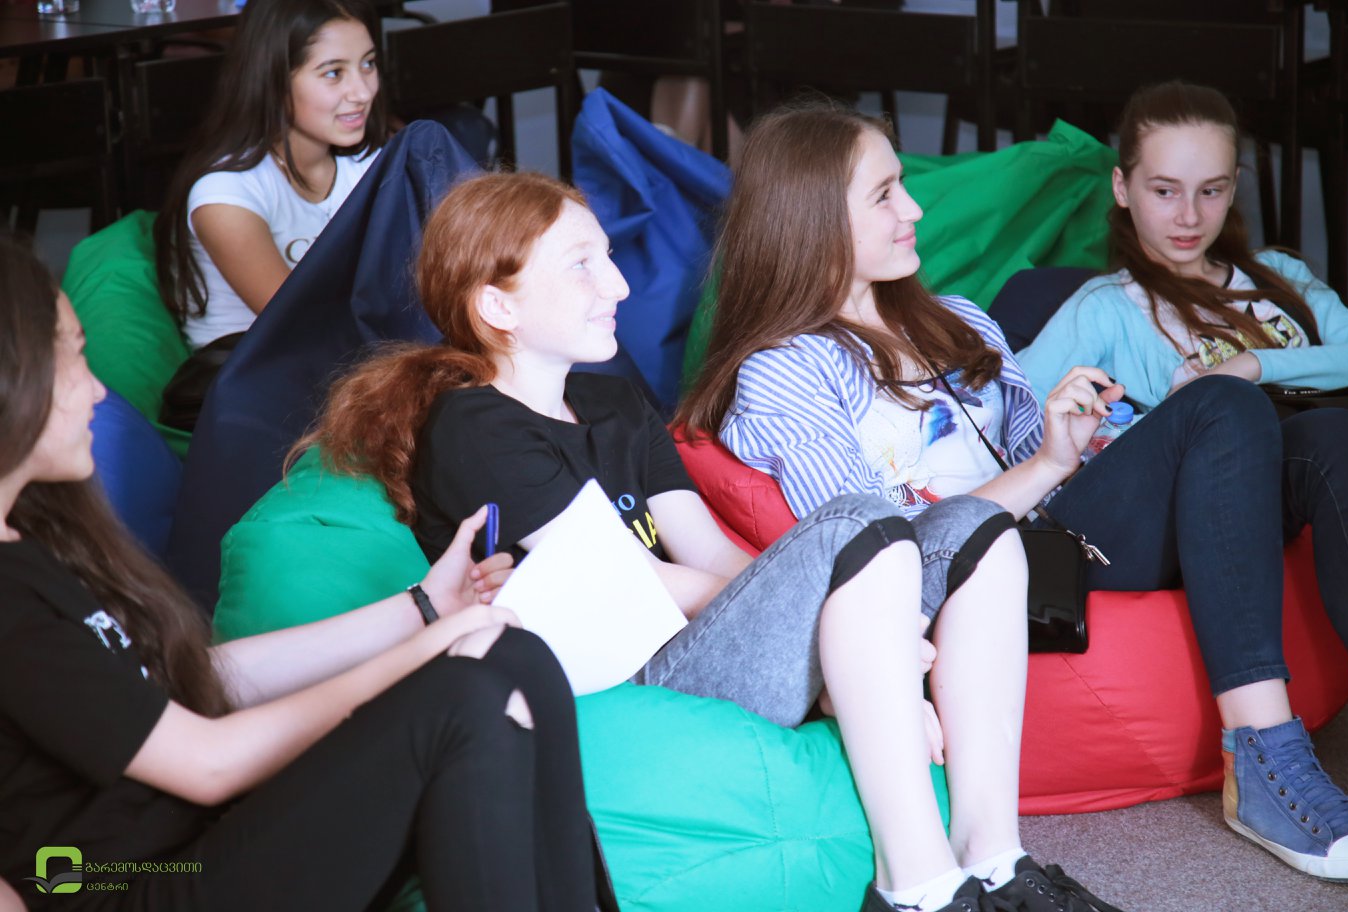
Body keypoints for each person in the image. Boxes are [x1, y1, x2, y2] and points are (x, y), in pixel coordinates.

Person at [301, 170, 1118, 912]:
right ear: (499, 307)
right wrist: (857, 632)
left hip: (704, 642)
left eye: (607, 258)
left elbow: (713, 557)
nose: (618, 284)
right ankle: (921, 891)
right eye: (582, 266)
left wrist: (854, 617)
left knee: (978, 527)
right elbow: (631, 584)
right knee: (855, 523)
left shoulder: (614, 404)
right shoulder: (474, 425)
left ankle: (995, 862)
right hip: (634, 673)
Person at [681, 96, 1348, 887]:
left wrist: (1074, 440)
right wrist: (1043, 467)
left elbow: (1032, 458)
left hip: (1063, 521)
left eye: (904, 186)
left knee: (1332, 438)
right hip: (1002, 570)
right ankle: (1265, 760)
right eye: (885, 194)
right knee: (1223, 402)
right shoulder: (785, 371)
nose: (914, 209)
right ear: (812, 219)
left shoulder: (958, 320)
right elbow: (874, 556)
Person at [0, 237, 599, 911]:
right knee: (465, 697)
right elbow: (207, 763)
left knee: (514, 652)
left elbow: (185, 679)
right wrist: (424, 654)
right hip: (131, 886)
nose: (96, 388)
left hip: (200, 842)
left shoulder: (36, 539)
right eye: (74, 357)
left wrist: (425, 608)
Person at [154, 0, 387, 351]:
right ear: (274, 80)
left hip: (360, 361)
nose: (363, 92)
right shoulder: (226, 195)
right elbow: (302, 331)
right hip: (256, 374)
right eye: (333, 73)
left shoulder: (371, 165)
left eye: (368, 64)